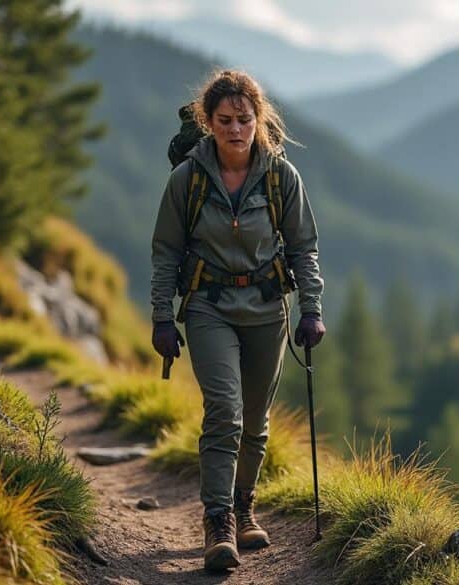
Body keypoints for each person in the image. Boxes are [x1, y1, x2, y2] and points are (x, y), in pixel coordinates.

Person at [149, 69, 326, 571]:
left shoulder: (279, 176)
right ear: (208, 122)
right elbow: (166, 251)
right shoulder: (187, 180)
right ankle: (218, 521)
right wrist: (164, 318)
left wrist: (311, 309)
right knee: (224, 409)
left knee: (255, 419)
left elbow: (304, 248)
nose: (235, 129)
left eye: (244, 119)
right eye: (224, 120)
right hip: (208, 307)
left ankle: (245, 508)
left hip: (268, 308)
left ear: (258, 120)